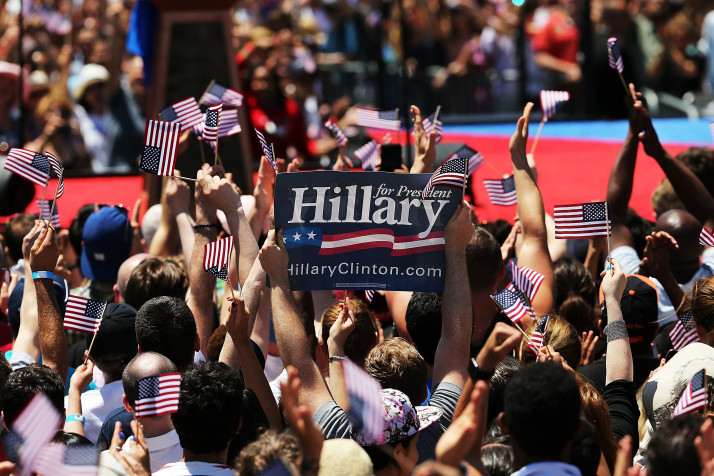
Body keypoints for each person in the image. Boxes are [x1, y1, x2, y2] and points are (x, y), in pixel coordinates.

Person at [66, 302, 137, 444]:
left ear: (88, 356)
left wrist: (74, 392)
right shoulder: (159, 399)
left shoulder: (71, 407)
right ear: (139, 350)